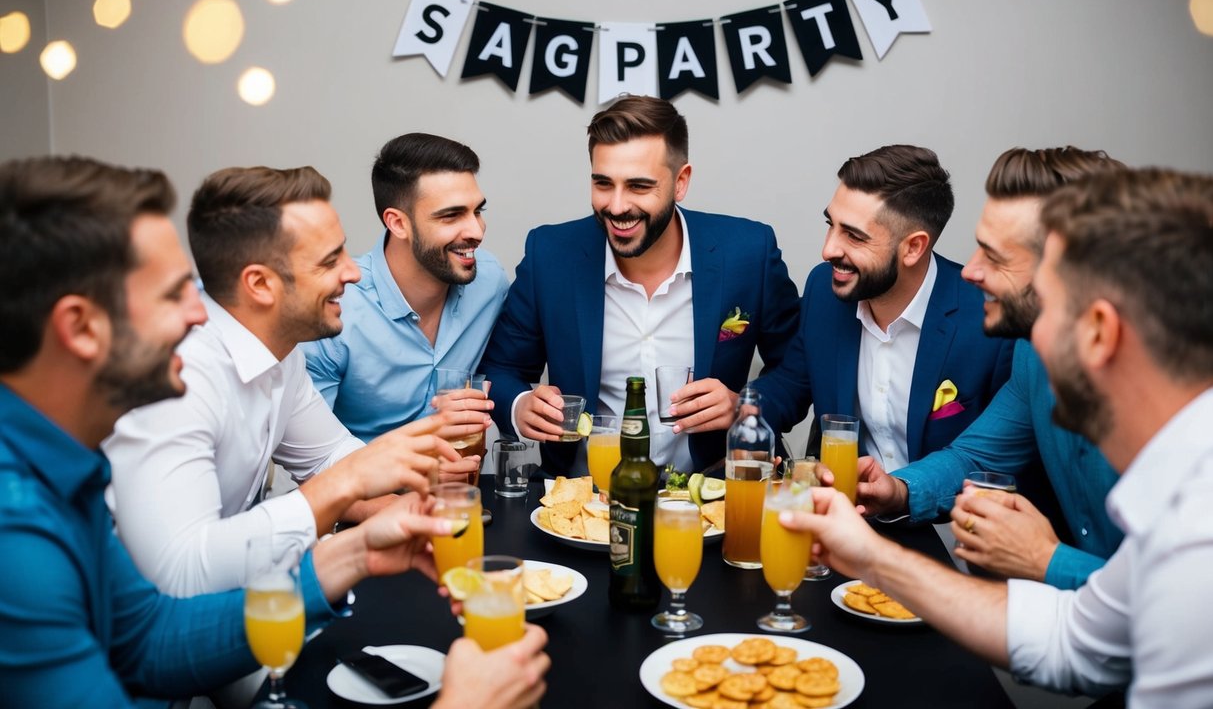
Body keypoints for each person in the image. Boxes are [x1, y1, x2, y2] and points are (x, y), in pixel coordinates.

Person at [0, 155, 549, 709]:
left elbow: (151, 641)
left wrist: (355, 552)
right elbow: (181, 579)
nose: (200, 313)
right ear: (80, 327)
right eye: (174, 293)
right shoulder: (17, 528)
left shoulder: (65, 469)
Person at [783, 167, 1213, 706]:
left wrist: (1044, 559)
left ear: (1099, 331)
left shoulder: (1199, 528)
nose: (969, 273)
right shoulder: (1041, 365)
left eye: (1044, 296)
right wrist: (871, 553)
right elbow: (1078, 640)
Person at [104, 165, 482, 597]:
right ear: (260, 285)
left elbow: (329, 456)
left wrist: (415, 498)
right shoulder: (180, 377)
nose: (353, 273)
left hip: (244, 601)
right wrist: (352, 481)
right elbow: (181, 574)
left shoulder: (281, 353)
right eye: (329, 260)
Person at [480, 95, 801, 476]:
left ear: (681, 182)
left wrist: (744, 406)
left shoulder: (748, 253)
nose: (616, 206)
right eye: (603, 183)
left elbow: (797, 371)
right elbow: (499, 369)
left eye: (638, 186)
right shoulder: (550, 255)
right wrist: (519, 405)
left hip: (714, 492)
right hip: (584, 499)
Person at [854, 147, 1125, 588]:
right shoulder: (1033, 354)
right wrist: (897, 491)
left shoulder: (1177, 398)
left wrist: (1043, 559)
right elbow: (977, 455)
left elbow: (1185, 600)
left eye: (995, 257)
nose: (969, 272)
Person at [753, 145, 1013, 469]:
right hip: (847, 512)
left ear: (913, 248)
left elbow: (1001, 459)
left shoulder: (989, 323)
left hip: (948, 516)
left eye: (854, 236)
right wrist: (741, 408)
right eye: (830, 225)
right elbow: (791, 384)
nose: (828, 249)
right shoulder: (825, 290)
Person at [304, 133, 507, 442]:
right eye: (451, 215)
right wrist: (420, 456)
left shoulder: (489, 283)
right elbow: (311, 453)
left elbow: (505, 369)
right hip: (358, 489)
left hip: (460, 488)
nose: (476, 231)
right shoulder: (336, 309)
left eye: (477, 211)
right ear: (398, 223)